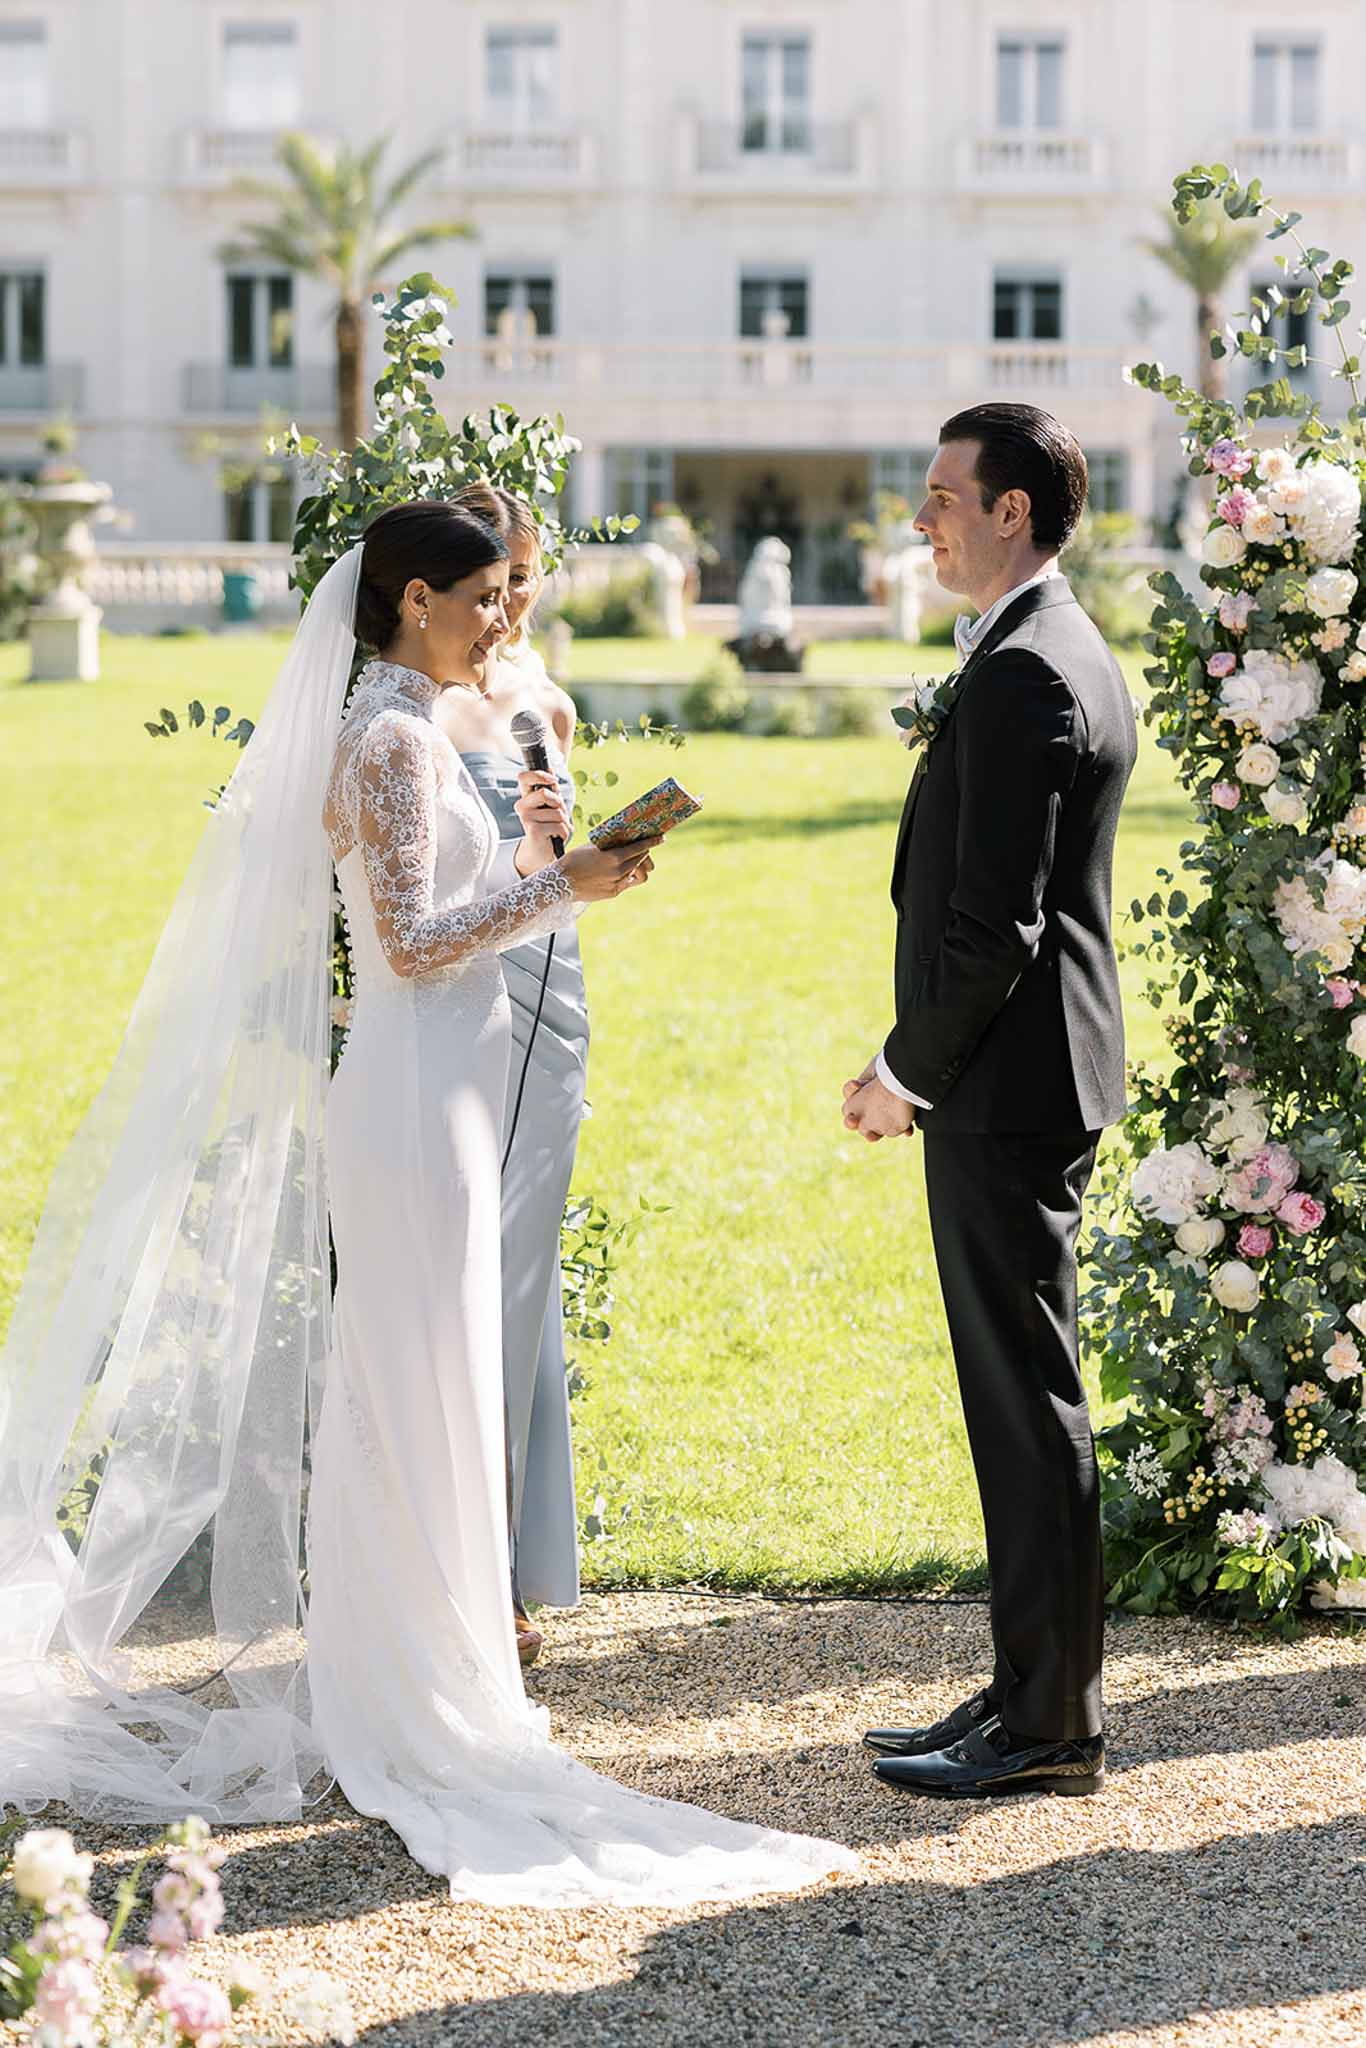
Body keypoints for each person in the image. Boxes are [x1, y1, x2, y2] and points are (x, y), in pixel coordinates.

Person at [0, 497, 853, 1905]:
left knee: (437, 1382)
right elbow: (403, 946)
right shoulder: (389, 737)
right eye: (477, 598)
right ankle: (401, 1694)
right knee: (406, 1386)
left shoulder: (430, 733)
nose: (499, 619)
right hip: (407, 1101)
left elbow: (466, 907)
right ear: (406, 601)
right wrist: (554, 886)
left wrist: (558, 866)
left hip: (447, 1091)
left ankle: (429, 1664)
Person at [845, 404, 1137, 1800]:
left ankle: (1050, 1725)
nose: (925, 518)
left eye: (944, 494)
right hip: (1026, 1078)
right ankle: (1033, 1685)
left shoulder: (1028, 672)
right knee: (1024, 1399)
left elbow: (997, 928)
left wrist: (902, 1073)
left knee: (1026, 1406)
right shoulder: (1048, 647)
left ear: (1010, 509)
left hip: (1003, 1086)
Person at [433, 481, 584, 1667]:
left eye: (528, 576)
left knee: (521, 1276)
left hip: (554, 991)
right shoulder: (412, 707)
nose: (513, 601)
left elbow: (544, 865)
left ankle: (506, 1567)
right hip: (456, 995)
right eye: (498, 578)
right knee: (452, 1268)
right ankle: (443, 1557)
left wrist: (570, 842)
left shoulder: (547, 704)